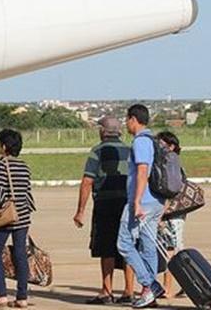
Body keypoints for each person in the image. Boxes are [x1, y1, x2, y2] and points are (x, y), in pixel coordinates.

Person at [73, 116, 135, 305]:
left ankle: (107, 291)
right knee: (127, 247)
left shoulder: (97, 151)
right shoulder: (130, 150)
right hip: (127, 204)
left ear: (103, 131)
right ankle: (129, 291)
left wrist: (80, 211)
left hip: (105, 205)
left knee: (106, 247)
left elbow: (87, 181)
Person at [116, 104, 165, 309]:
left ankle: (149, 284)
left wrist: (136, 202)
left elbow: (143, 172)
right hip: (155, 201)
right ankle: (149, 293)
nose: (126, 123)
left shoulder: (140, 142)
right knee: (147, 246)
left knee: (124, 243)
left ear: (133, 119)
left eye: (127, 119)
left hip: (142, 202)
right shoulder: (153, 140)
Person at [0, 129, 35, 309]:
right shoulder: (25, 166)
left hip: (7, 216)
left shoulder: (2, 164)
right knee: (20, 254)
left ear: (4, 147)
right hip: (23, 215)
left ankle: (1, 295)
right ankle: (22, 297)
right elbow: (27, 192)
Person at [155, 131, 185, 301]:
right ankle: (185, 283)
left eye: (162, 144)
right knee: (174, 248)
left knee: (170, 249)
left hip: (170, 213)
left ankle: (168, 287)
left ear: (171, 146)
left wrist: (162, 212)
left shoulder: (169, 162)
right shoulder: (174, 162)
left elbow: (170, 190)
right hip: (175, 212)